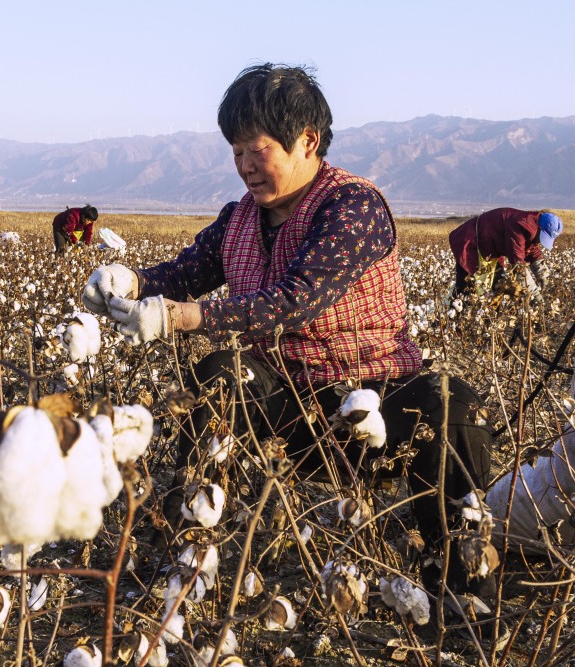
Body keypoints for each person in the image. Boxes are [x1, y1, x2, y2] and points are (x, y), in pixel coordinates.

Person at [82, 64, 493, 597]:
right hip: (289, 402)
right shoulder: (238, 219)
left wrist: (181, 316)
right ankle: (189, 557)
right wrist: (131, 282)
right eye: (236, 154)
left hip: (379, 395)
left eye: (259, 151)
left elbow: (295, 301)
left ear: (308, 141)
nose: (247, 168)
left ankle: (460, 581)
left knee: (452, 404)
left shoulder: (353, 207)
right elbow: (184, 273)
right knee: (219, 378)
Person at [449, 208, 562, 299]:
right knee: (466, 288)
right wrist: (534, 294)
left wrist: (541, 274)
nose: (540, 242)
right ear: (539, 228)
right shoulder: (519, 227)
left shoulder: (531, 228)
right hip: (471, 243)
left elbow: (531, 249)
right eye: (542, 237)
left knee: (498, 287)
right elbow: (518, 265)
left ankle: (489, 320)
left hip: (490, 249)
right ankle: (450, 319)